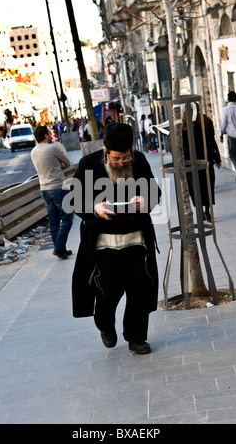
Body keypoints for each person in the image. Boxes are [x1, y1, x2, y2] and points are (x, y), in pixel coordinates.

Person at [71, 123, 161, 354]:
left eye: (125, 157)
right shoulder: (88, 164)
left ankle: (136, 337)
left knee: (139, 291)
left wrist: (146, 199)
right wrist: (94, 208)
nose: (122, 162)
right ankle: (105, 326)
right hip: (103, 246)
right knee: (107, 293)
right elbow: (74, 201)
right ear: (105, 152)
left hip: (136, 241)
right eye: (116, 158)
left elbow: (155, 193)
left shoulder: (138, 160)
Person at [31, 125, 73, 259]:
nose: (51, 135)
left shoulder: (33, 151)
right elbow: (67, 163)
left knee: (54, 221)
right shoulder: (53, 148)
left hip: (44, 189)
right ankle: (59, 247)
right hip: (58, 187)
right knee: (67, 218)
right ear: (45, 135)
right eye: (49, 133)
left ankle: (60, 249)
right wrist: (60, 164)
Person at [182, 109, 221, 222]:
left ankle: (200, 211)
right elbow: (211, 142)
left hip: (189, 162)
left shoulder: (182, 126)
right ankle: (207, 211)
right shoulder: (205, 122)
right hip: (205, 159)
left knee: (194, 187)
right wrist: (217, 158)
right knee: (207, 185)